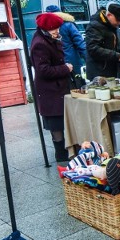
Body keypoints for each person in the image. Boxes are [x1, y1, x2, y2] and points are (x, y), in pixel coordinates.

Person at [30, 13, 73, 162]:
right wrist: (65, 68)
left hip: (56, 89)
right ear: (46, 28)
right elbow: (43, 70)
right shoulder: (40, 44)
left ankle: (64, 150)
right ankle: (60, 154)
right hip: (50, 91)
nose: (57, 31)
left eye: (57, 28)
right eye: (54, 29)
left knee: (60, 120)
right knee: (56, 124)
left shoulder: (48, 38)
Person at [84, 2, 120, 80]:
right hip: (99, 72)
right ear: (109, 15)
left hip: (112, 69)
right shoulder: (94, 26)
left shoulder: (113, 25)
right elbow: (93, 48)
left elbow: (118, 42)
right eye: (118, 20)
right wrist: (116, 56)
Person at [44, 5, 86, 74]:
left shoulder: (46, 28)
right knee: (77, 82)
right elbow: (80, 43)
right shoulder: (68, 25)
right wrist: (88, 60)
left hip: (56, 63)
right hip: (72, 61)